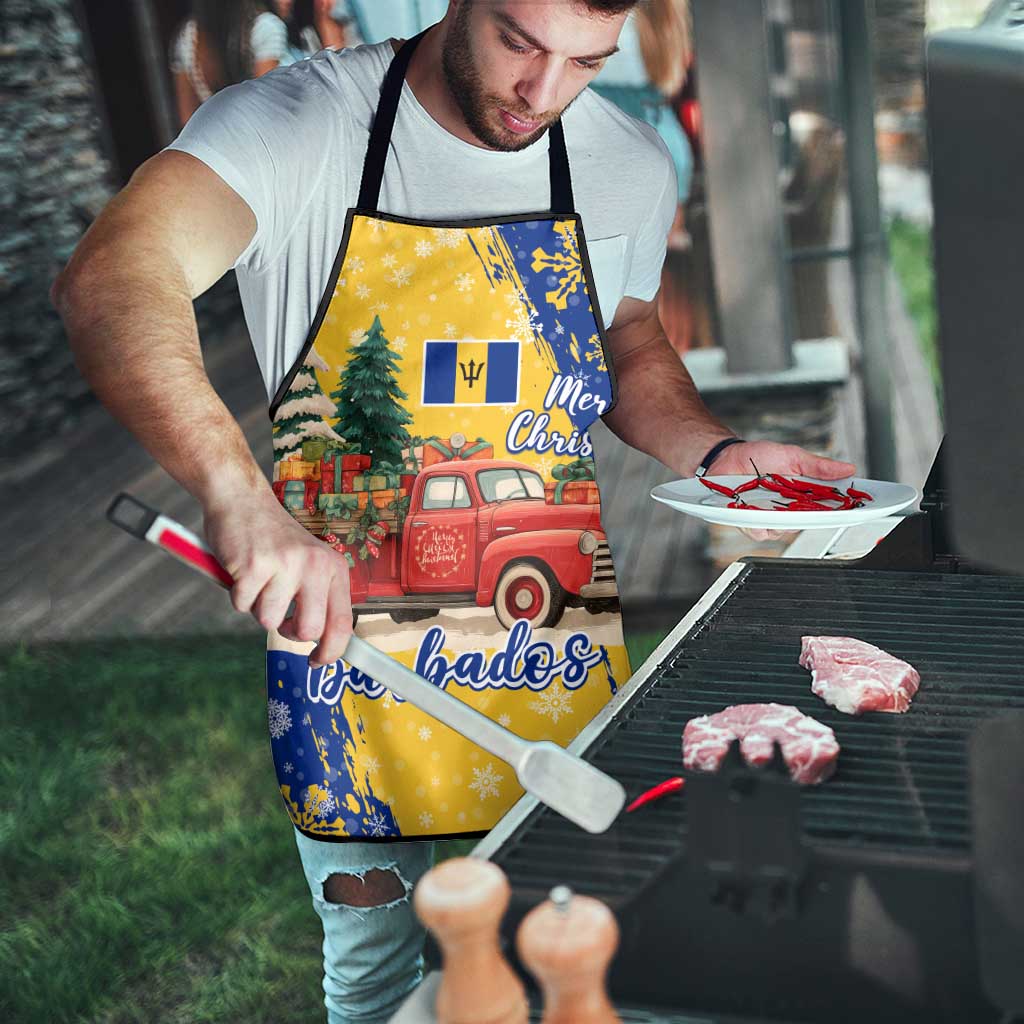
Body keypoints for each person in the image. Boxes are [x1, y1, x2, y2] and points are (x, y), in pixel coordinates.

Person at [54, 2, 855, 1020]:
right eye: (521, 42)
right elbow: (113, 275)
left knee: (570, 961)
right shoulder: (297, 125)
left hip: (550, 657)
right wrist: (237, 496)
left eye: (585, 62)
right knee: (380, 981)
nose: (543, 93)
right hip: (349, 674)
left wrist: (717, 448)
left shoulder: (625, 161)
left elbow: (628, 337)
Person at [170, 0, 289, 126]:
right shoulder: (266, 27)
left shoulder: (188, 37)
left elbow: (188, 121)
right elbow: (266, 107)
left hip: (215, 139)